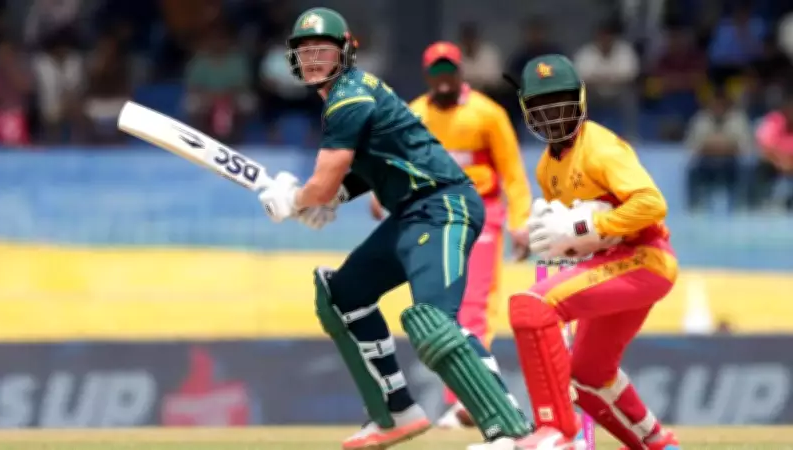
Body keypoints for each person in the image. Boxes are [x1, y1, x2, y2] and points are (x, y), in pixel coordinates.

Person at [256, 8, 533, 450]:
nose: (314, 59)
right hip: (410, 212)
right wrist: (332, 199)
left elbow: (322, 183)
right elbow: (378, 163)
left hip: (443, 206)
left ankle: (511, 432)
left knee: (433, 323)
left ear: (346, 52)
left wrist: (296, 199)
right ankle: (395, 413)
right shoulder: (352, 94)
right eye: (305, 51)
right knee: (342, 295)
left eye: (323, 50)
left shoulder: (347, 98)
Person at [479, 54, 681, 450]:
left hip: (646, 258)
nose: (553, 116)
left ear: (581, 99)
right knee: (588, 375)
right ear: (526, 110)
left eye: (561, 103)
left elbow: (652, 205)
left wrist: (582, 227)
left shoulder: (601, 148)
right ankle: (659, 444)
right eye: (541, 106)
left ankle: (556, 430)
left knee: (531, 307)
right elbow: (582, 239)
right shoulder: (546, 169)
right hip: (614, 263)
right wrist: (561, 241)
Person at [369, 41, 532, 429]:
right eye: (436, 72)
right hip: (434, 216)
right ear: (428, 75)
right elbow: (392, 161)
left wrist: (520, 220)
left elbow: (512, 172)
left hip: (482, 214)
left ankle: (469, 401)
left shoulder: (487, 114)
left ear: (460, 73)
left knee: (473, 305)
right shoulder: (414, 113)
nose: (443, 79)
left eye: (449, 71)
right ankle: (463, 398)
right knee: (438, 310)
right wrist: (379, 192)